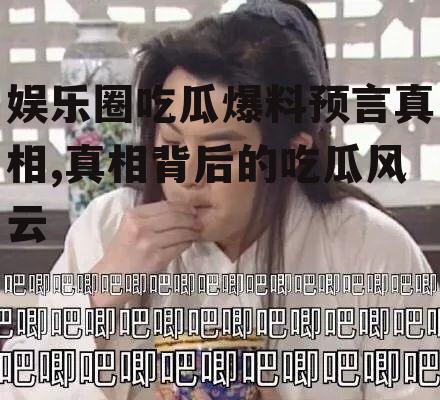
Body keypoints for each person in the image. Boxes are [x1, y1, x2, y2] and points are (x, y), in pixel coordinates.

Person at [2, 1, 439, 399]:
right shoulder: (111, 225)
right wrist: (98, 295)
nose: (187, 175)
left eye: (221, 152)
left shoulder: (369, 248)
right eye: (173, 144)